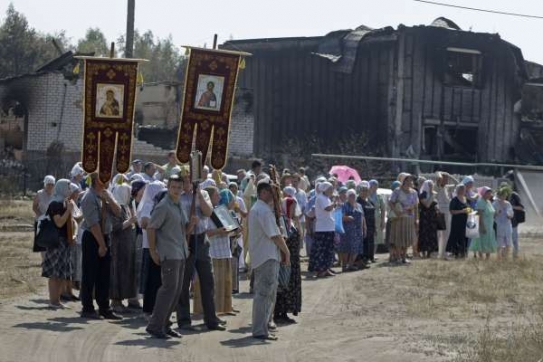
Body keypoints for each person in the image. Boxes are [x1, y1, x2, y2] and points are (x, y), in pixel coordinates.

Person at [145, 175, 198, 339]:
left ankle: (165, 324)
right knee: (168, 290)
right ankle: (155, 325)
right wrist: (153, 251)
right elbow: (151, 228)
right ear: (168, 187)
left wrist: (192, 224)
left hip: (180, 252)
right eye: (173, 187)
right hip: (169, 253)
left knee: (176, 291)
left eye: (179, 187)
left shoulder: (178, 205)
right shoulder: (164, 206)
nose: (176, 190)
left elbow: (184, 230)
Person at [177, 175, 226, 331]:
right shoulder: (178, 195)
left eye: (188, 181)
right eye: (183, 181)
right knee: (184, 283)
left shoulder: (203, 194)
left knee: (208, 281)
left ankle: (211, 319)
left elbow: (208, 211)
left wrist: (198, 194)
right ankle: (184, 320)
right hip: (185, 239)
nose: (186, 184)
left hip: (202, 239)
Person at [249, 181, 290, 341]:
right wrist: (286, 252)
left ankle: (263, 327)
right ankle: (260, 329)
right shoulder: (263, 210)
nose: (275, 197)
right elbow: (274, 235)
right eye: (272, 193)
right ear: (264, 193)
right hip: (266, 257)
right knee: (265, 294)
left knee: (267, 294)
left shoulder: (260, 209)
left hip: (264, 256)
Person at [79, 173, 123, 319]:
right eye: (103, 177)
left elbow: (119, 213)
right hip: (93, 237)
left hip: (105, 235)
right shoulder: (89, 197)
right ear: (96, 179)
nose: (107, 178)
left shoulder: (106, 194)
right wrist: (102, 245)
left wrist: (109, 199)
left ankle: (104, 307)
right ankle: (87, 307)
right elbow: (93, 224)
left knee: (104, 275)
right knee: (90, 273)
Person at [193, 186, 236, 317]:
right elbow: (203, 232)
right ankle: (208, 310)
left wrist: (235, 230)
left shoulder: (222, 211)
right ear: (210, 197)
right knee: (213, 284)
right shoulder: (204, 212)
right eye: (217, 195)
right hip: (213, 251)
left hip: (224, 250)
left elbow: (231, 229)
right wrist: (218, 231)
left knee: (225, 282)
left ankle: (224, 307)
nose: (219, 197)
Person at [42, 179, 76, 309]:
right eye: (68, 186)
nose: (70, 189)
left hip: (64, 241)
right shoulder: (55, 204)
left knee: (62, 272)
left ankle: (57, 300)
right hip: (55, 242)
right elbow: (59, 223)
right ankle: (53, 301)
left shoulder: (64, 203)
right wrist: (69, 210)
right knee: (54, 273)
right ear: (61, 188)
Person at [137, 181, 166, 319]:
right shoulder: (149, 204)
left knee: (158, 280)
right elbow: (143, 223)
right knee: (151, 280)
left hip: (158, 245)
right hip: (151, 245)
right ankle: (148, 310)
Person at [274, 186, 302, 324]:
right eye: (292, 207)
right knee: (283, 285)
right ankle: (279, 313)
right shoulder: (283, 222)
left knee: (290, 286)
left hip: (293, 260)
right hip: (286, 260)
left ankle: (285, 312)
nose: (293, 210)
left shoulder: (291, 222)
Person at [109, 183, 138, 313]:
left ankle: (121, 301)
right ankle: (115, 302)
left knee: (125, 273)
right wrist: (130, 222)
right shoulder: (114, 208)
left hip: (126, 247)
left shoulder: (125, 206)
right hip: (118, 247)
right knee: (118, 273)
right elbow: (115, 227)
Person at [309, 182, 337, 277]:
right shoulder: (320, 198)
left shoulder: (326, 198)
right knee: (322, 250)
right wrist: (334, 203)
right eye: (330, 189)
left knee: (328, 249)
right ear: (325, 189)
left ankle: (326, 268)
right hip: (323, 228)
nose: (332, 191)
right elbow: (327, 209)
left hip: (328, 227)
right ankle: (321, 270)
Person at [389, 174, 418, 264]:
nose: (410, 181)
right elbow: (391, 202)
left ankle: (404, 257)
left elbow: (416, 205)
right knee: (399, 238)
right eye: (408, 180)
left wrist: (416, 219)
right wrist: (396, 211)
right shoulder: (397, 191)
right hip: (399, 218)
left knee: (407, 238)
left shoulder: (414, 192)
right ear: (404, 180)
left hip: (409, 217)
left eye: (411, 180)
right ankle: (398, 257)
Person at [339, 189, 364, 272]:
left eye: (354, 195)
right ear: (347, 196)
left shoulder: (359, 205)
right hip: (347, 230)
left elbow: (362, 217)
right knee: (346, 248)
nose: (352, 197)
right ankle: (344, 266)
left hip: (357, 230)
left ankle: (351, 264)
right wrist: (347, 217)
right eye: (350, 195)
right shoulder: (344, 205)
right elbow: (341, 217)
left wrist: (364, 227)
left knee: (356, 248)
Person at [435, 172, 459, 259]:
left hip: (447, 211)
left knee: (447, 233)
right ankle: (439, 252)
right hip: (440, 211)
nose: (446, 180)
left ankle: (444, 251)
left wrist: (449, 175)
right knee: (440, 233)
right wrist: (441, 175)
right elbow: (438, 176)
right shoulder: (437, 187)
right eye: (445, 179)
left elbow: (457, 183)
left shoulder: (446, 187)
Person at [469, 187, 497, 259]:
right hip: (483, 224)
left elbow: (491, 212)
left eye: (490, 193)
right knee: (481, 240)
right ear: (483, 193)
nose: (489, 194)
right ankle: (481, 256)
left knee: (488, 240)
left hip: (490, 224)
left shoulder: (488, 202)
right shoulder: (480, 202)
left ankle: (487, 257)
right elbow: (480, 215)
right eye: (488, 193)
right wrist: (482, 226)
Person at [445, 184, 470, 258]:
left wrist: (469, 210)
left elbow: (468, 208)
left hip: (464, 221)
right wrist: (462, 211)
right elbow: (452, 211)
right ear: (458, 190)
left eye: (464, 189)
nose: (463, 190)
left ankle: (462, 252)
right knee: (454, 236)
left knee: (463, 236)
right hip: (456, 221)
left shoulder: (465, 199)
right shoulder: (454, 200)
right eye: (462, 189)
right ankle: (452, 252)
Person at [33, 175, 56, 253]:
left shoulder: (55, 194)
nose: (50, 186)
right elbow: (34, 207)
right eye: (48, 184)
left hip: (53, 222)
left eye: (52, 184)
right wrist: (41, 216)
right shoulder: (39, 193)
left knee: (51, 244)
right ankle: (44, 262)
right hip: (41, 222)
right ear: (45, 184)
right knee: (42, 245)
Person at [418, 180, 439, 258]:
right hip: (425, 217)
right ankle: (423, 251)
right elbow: (427, 205)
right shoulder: (423, 194)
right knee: (424, 234)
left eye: (432, 185)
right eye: (429, 185)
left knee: (432, 234)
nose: (431, 187)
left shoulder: (433, 194)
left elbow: (435, 204)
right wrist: (432, 196)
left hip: (432, 217)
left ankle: (430, 252)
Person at [493, 187, 514, 260]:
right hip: (499, 225)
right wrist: (497, 213)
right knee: (499, 243)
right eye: (502, 195)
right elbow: (492, 214)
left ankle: (505, 257)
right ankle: (498, 257)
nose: (504, 197)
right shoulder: (495, 204)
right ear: (499, 195)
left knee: (508, 242)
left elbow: (511, 214)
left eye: (505, 195)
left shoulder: (508, 204)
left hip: (507, 225)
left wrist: (509, 215)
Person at [357, 181, 376, 264]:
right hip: (363, 225)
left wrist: (375, 227)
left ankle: (371, 256)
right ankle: (364, 258)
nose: (365, 192)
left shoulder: (370, 201)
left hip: (371, 225)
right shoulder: (358, 201)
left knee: (371, 241)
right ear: (359, 191)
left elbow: (374, 214)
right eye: (363, 190)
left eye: (366, 191)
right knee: (365, 242)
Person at [369, 180, 386, 259]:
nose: (375, 187)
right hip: (369, 218)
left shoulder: (379, 196)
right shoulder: (367, 196)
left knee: (377, 237)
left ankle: (373, 254)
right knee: (370, 237)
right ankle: (369, 254)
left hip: (377, 219)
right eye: (374, 185)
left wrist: (382, 221)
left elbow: (383, 209)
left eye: (376, 185)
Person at [508, 184, 525, 259]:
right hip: (503, 222)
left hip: (513, 222)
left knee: (514, 239)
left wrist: (511, 206)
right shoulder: (499, 196)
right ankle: (504, 256)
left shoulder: (514, 195)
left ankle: (515, 255)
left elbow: (521, 207)